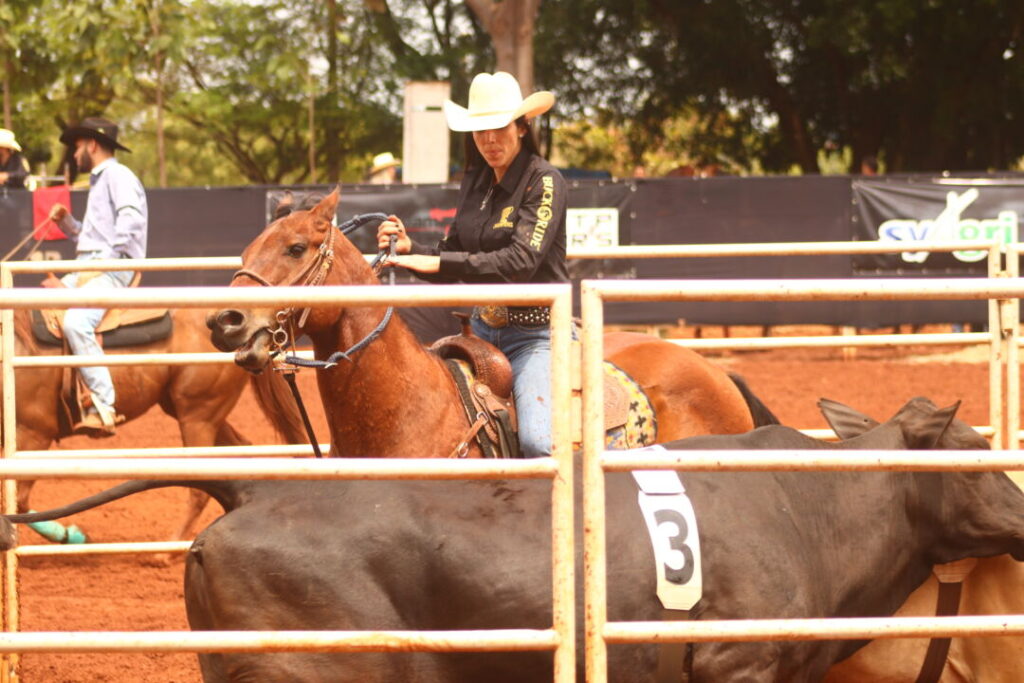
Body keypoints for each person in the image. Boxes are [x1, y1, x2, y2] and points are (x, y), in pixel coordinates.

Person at [377, 71, 568, 458]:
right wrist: (411, 248)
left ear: (521, 126)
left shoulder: (544, 180)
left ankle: (553, 513)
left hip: (536, 336)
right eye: (479, 130)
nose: (489, 140)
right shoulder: (476, 182)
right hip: (480, 332)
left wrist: (439, 263)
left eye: (498, 127)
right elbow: (453, 251)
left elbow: (520, 263)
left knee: (537, 441)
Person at [45, 117, 148, 436]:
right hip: (94, 263)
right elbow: (94, 237)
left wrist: (104, 263)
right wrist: (68, 224)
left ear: (92, 145)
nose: (74, 156)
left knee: (77, 322)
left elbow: (129, 220)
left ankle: (104, 404)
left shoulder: (117, 175)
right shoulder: (103, 179)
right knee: (40, 305)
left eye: (77, 148)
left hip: (111, 268)